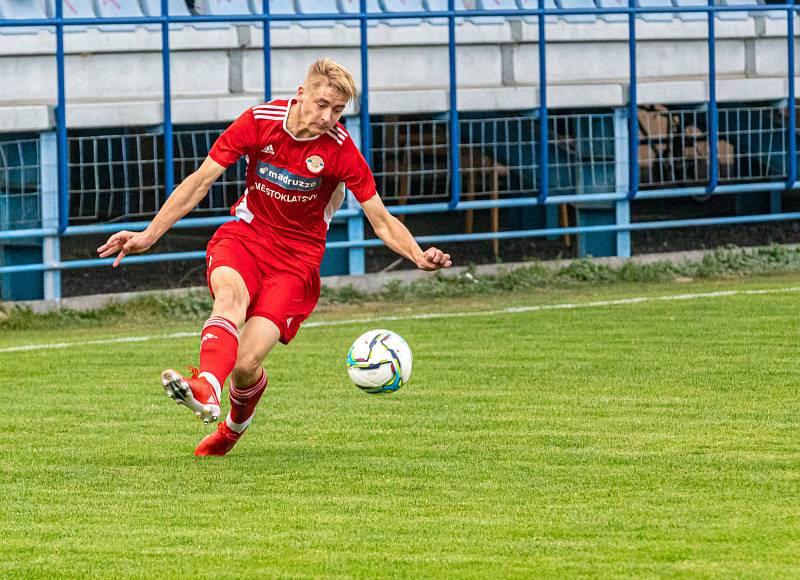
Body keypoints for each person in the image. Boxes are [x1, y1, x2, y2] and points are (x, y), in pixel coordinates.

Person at [97, 58, 452, 457]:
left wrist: (418, 254)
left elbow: (382, 220)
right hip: (245, 236)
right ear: (300, 94)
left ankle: (231, 429)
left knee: (246, 364)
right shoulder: (258, 122)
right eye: (321, 104)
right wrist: (148, 235)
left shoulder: (340, 151)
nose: (327, 117)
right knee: (229, 298)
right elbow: (199, 182)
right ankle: (206, 387)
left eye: (337, 110)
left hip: (296, 262)